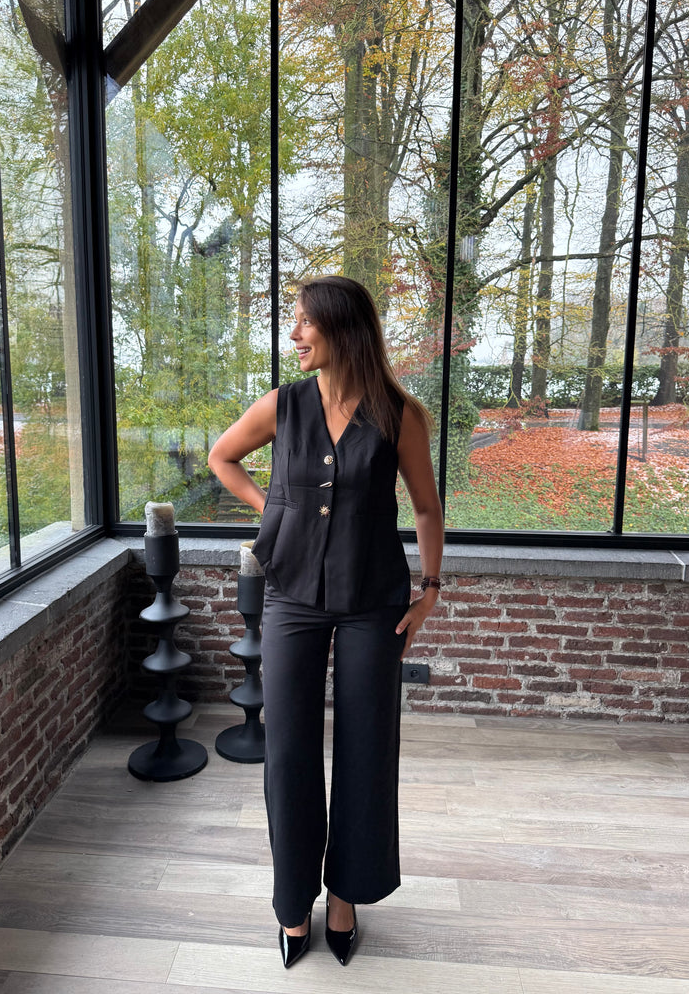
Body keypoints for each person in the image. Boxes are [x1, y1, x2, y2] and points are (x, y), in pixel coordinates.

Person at [208, 275, 444, 968]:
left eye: (305, 322)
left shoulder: (399, 413)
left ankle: (346, 896)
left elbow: (425, 507)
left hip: (374, 599)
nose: (295, 334)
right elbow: (223, 458)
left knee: (368, 746)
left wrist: (430, 590)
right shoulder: (282, 405)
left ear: (341, 327)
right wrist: (275, 511)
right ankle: (293, 902)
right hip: (290, 596)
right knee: (287, 749)